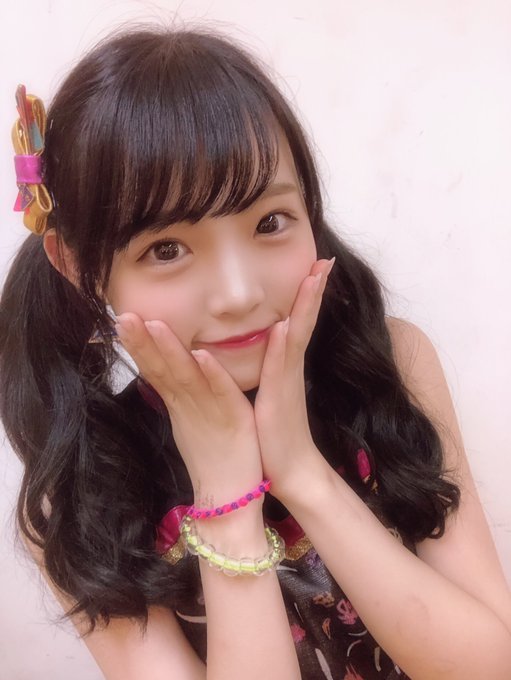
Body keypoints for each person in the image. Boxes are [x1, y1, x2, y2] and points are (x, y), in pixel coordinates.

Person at [1, 26, 510, 680]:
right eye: (165, 249)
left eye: (270, 222)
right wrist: (226, 496)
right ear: (77, 268)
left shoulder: (391, 366)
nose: (240, 294)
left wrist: (300, 469)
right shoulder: (78, 491)